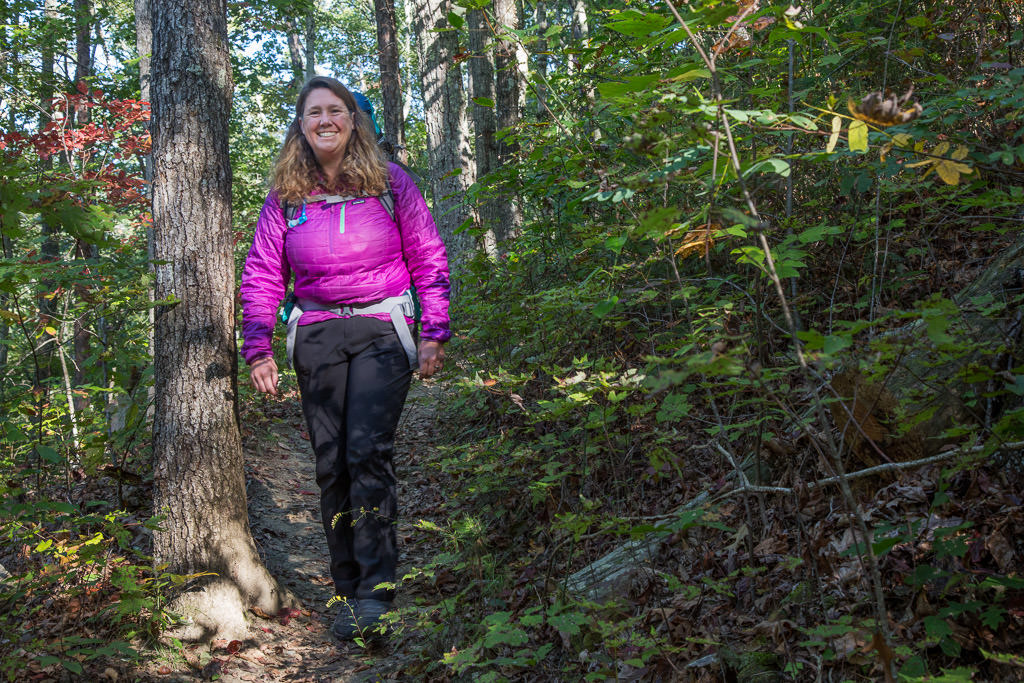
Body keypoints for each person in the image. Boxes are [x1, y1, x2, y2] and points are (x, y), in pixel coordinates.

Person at [239, 76, 450, 641]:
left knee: (367, 453)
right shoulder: (286, 195)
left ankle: (378, 591)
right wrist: (257, 346)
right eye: (314, 112)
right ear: (301, 125)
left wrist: (435, 331)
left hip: (385, 327)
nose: (325, 120)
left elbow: (428, 254)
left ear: (353, 121)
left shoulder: (389, 182)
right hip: (315, 333)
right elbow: (262, 273)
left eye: (336, 111)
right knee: (331, 463)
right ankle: (346, 588)